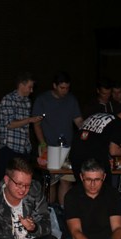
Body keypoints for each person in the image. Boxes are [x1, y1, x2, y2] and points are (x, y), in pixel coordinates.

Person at [32, 71, 84, 206]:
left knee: (66, 180)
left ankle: (64, 212)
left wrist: (86, 132)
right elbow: (36, 124)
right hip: (49, 146)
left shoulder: (71, 99)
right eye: (62, 88)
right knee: (51, 181)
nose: (65, 91)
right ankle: (49, 212)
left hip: (67, 147)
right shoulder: (42, 100)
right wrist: (42, 143)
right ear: (54, 85)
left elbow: (78, 121)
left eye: (67, 88)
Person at [0, 72, 44, 177]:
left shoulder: (27, 102)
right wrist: (30, 120)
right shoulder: (8, 100)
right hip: (9, 149)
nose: (31, 91)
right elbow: (9, 124)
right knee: (7, 183)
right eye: (29, 87)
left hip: (23, 150)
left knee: (23, 182)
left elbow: (24, 128)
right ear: (21, 85)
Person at [68, 110, 121, 181]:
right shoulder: (119, 123)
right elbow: (114, 151)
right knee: (104, 189)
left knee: (82, 188)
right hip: (94, 161)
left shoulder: (98, 115)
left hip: (75, 156)